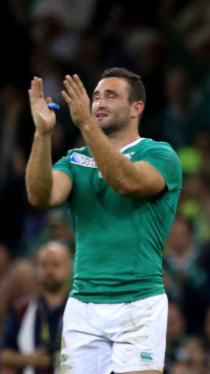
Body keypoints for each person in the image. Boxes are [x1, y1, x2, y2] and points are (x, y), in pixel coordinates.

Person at [25, 68, 183, 374]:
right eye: (95, 97)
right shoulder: (73, 160)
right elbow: (40, 196)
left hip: (139, 304)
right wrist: (42, 134)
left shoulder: (159, 154)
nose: (99, 103)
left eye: (110, 96)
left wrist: (85, 123)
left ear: (136, 108)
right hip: (83, 305)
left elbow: (127, 182)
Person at [0, 241, 72, 374]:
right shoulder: (23, 309)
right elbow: (3, 354)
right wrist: (29, 359)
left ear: (69, 268)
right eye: (44, 265)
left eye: (56, 265)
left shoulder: (81, 308)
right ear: (37, 269)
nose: (49, 270)